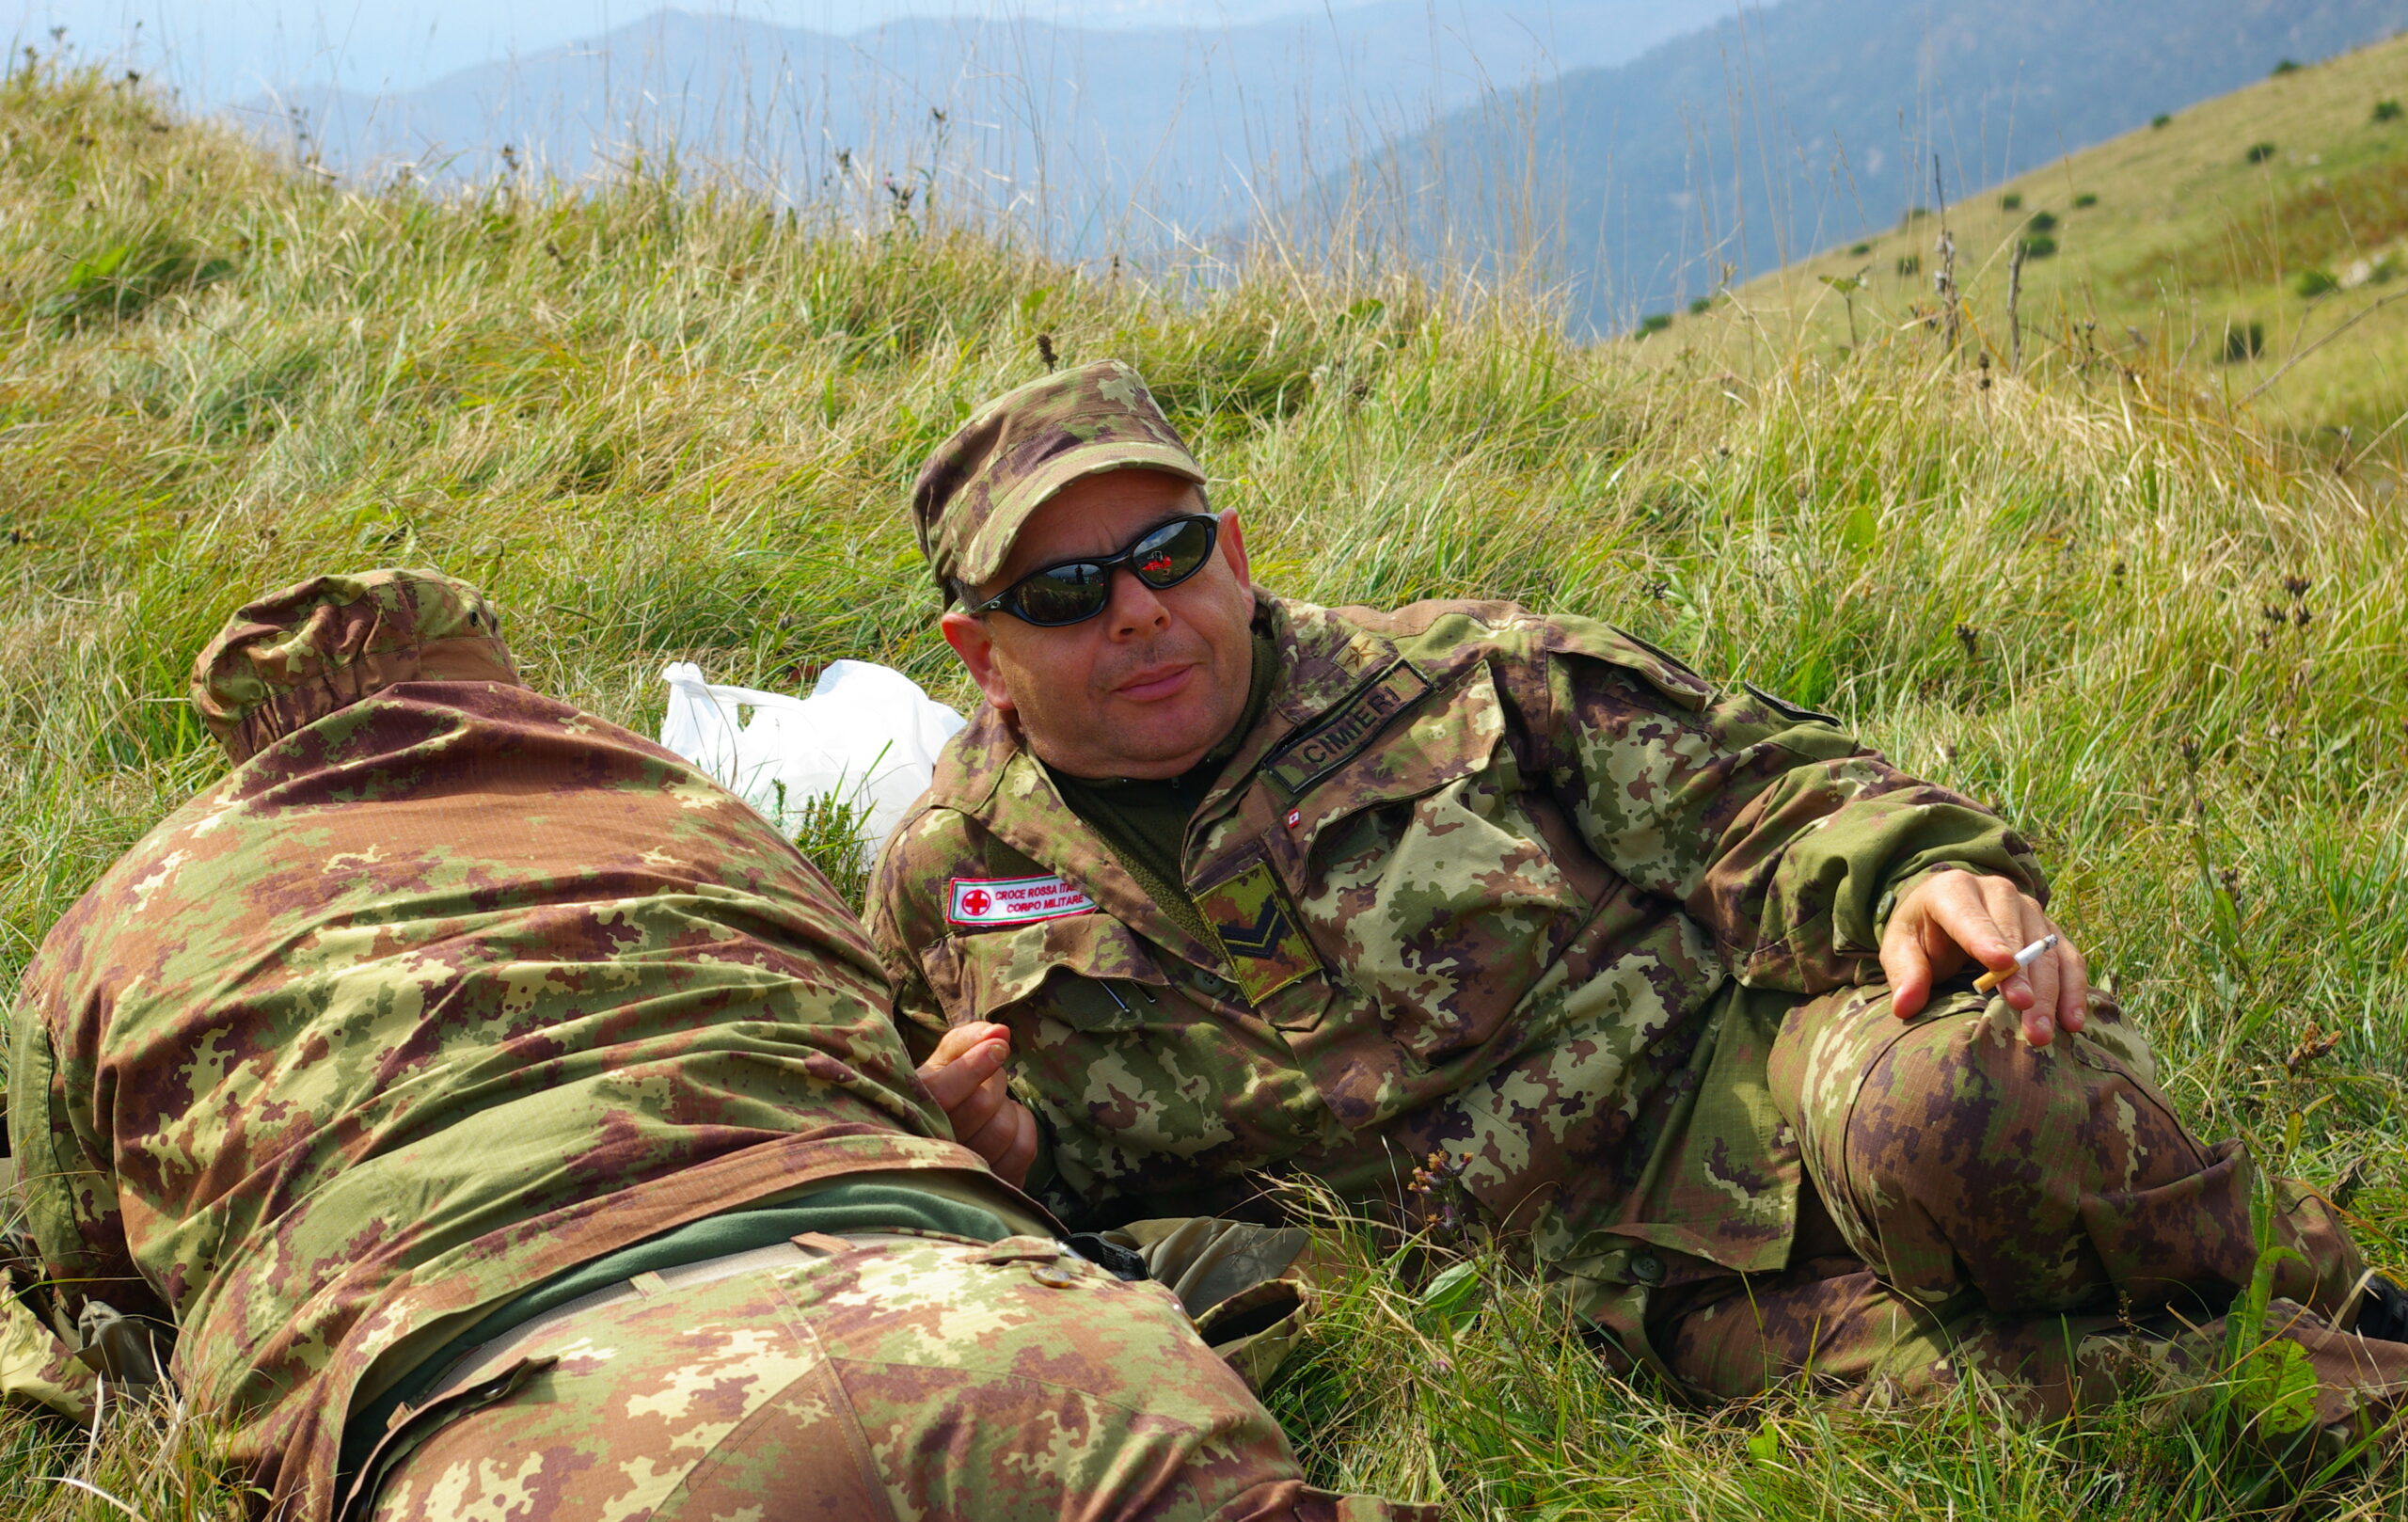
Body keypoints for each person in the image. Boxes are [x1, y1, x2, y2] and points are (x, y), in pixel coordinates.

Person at [870, 359, 2408, 1456]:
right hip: (1593, 1293)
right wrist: (1002, 1156)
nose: (1137, 608)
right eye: (1066, 594)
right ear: (978, 648)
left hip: (1747, 1084)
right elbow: (989, 1196)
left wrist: (1913, 871)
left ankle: (2345, 1283)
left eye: (1168, 551)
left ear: (1235, 554)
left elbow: (1762, 787)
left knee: (1962, 1100)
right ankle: (2365, 1399)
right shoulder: (949, 883)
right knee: (2032, 1405)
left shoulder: (1459, 679)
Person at [0, 568, 1432, 1522]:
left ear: (247, 750)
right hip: (996, 1321)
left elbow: (90, 1285)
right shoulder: (692, 806)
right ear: (497, 683)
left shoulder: (122, 919)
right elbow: (867, 1035)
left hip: (537, 1428)